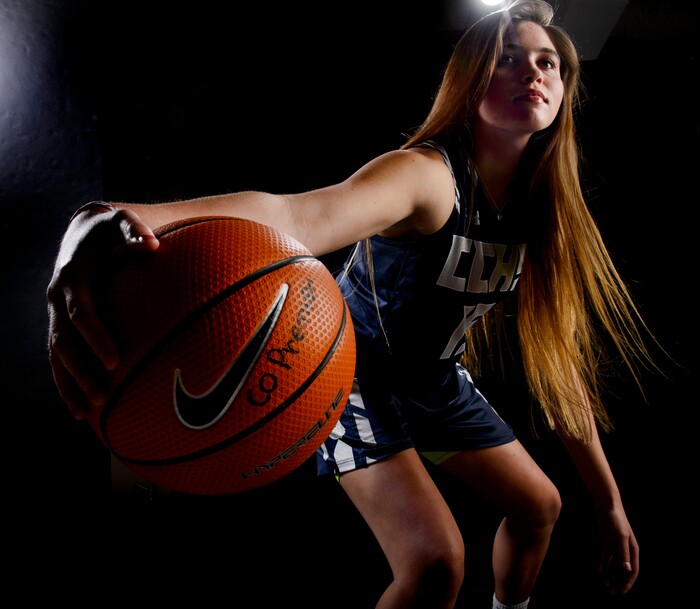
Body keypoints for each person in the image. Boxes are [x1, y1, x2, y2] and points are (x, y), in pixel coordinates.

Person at [47, 1, 659, 607]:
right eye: (507, 59)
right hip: (350, 375)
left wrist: (609, 504)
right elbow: (294, 216)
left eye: (548, 62)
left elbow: (560, 367)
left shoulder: (541, 213)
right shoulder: (427, 177)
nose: (532, 72)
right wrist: (103, 217)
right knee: (436, 563)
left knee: (540, 508)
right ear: (470, 81)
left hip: (434, 382)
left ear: (563, 91)